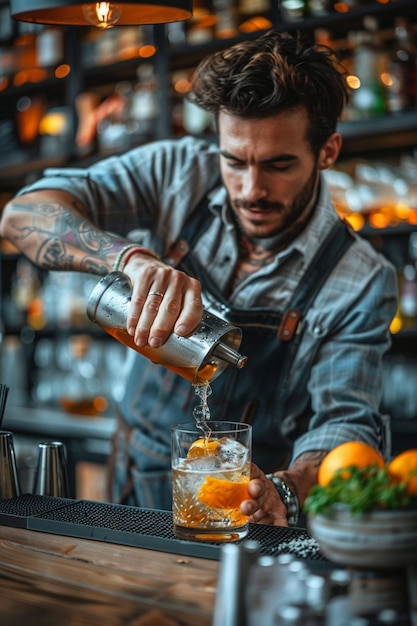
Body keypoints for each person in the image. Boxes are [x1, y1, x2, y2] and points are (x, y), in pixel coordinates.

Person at [0, 30, 397, 527]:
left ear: (328, 151)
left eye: (278, 164)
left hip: (251, 505)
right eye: (235, 161)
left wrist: (286, 490)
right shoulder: (176, 171)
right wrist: (134, 261)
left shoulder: (360, 278)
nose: (252, 189)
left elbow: (345, 423)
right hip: (134, 473)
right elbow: (21, 215)